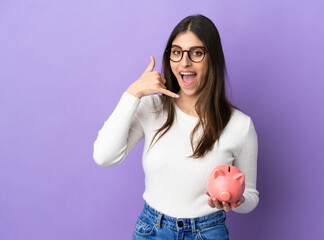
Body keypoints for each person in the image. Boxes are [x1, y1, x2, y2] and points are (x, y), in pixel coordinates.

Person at [93, 14, 259, 240]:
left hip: (208, 232)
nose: (184, 62)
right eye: (177, 52)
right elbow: (104, 156)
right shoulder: (151, 108)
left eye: (197, 53)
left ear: (213, 59)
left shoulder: (239, 125)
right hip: (152, 230)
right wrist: (133, 93)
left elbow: (250, 195)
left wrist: (237, 200)